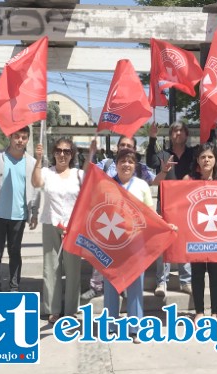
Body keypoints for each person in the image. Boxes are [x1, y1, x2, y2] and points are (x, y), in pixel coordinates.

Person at [104, 148, 170, 343]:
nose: (126, 165)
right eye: (123, 161)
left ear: (135, 166)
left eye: (131, 162)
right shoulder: (106, 185)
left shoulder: (141, 185)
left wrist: (167, 226)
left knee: (135, 285)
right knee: (111, 286)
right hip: (112, 243)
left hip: (135, 244)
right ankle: (110, 325)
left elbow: (151, 215)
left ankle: (135, 328)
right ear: (116, 164)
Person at [80, 135, 156, 302]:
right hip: (109, 225)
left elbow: (153, 184)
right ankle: (96, 287)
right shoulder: (106, 164)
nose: (124, 147)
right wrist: (91, 154)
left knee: (128, 266)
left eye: (128, 145)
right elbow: (89, 172)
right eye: (122, 144)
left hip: (132, 230)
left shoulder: (140, 171)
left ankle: (124, 287)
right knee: (104, 262)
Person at [0, 126, 40, 292]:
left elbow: (35, 189)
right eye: (16, 136)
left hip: (19, 216)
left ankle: (14, 288)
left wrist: (34, 213)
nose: (20, 141)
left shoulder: (31, 162)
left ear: (28, 140)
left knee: (15, 252)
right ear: (10, 137)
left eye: (24, 137)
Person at [32, 138, 84, 324]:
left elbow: (88, 200)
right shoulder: (46, 172)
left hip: (73, 227)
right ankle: (52, 310)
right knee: (51, 268)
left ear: (72, 155)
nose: (62, 154)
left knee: (73, 269)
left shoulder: (80, 175)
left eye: (67, 151)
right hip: (51, 223)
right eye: (59, 151)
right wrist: (38, 160)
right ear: (53, 153)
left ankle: (71, 311)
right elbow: (36, 183)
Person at [182, 142, 217, 323]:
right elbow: (178, 204)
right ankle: (199, 311)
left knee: (216, 274)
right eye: (203, 157)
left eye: (210, 156)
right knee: (197, 273)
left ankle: (216, 312)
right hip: (196, 235)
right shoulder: (189, 179)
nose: (206, 160)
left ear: (216, 159)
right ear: (197, 160)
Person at [147, 121, 193, 297]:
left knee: (184, 240)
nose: (178, 133)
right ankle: (161, 282)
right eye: (175, 131)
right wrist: (152, 138)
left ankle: (186, 281)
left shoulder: (193, 153)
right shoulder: (164, 154)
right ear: (170, 135)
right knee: (163, 241)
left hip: (188, 203)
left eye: (181, 130)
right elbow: (151, 161)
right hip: (165, 203)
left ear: (186, 134)